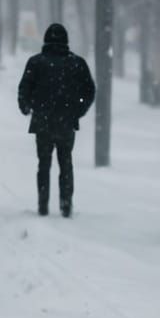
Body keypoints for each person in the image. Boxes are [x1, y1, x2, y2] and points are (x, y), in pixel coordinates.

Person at [17, 22, 95, 216]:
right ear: (66, 41)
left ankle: (43, 205)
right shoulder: (77, 63)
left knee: (43, 164)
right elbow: (89, 90)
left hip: (42, 121)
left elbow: (24, 88)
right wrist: (78, 110)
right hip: (66, 122)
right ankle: (66, 204)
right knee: (66, 163)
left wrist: (26, 107)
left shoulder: (36, 62)